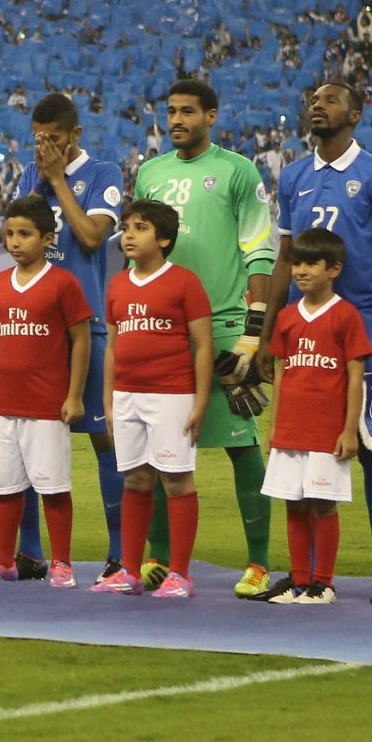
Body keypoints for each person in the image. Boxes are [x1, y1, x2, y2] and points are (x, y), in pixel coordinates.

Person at [263, 81, 372, 604]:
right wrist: (267, 335)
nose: (316, 104)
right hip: (302, 329)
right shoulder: (295, 176)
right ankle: (303, 575)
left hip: (363, 325)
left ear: (355, 113)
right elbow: (285, 258)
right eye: (312, 98)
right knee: (299, 446)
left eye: (328, 99)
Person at [132, 78, 277, 598]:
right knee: (154, 449)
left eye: (187, 111)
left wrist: (253, 333)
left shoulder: (237, 171)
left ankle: (259, 563)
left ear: (211, 116)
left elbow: (260, 249)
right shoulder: (150, 172)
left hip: (221, 327)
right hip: (162, 327)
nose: (176, 120)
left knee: (240, 445)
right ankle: (158, 557)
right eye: (170, 111)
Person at [8, 93, 127, 580]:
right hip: (35, 327)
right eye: (37, 139)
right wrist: (40, 179)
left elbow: (92, 237)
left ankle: (120, 551)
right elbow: (21, 232)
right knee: (33, 439)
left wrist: (56, 179)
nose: (44, 148)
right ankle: (32, 551)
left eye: (53, 139)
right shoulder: (27, 175)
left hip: (85, 323)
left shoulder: (104, 173)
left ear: (75, 135)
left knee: (104, 438)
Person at [92, 200, 213, 599]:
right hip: (126, 396)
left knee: (177, 480)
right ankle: (129, 570)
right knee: (136, 479)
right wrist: (109, 401)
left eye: (140, 228)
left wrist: (199, 402)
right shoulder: (118, 284)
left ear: (163, 239)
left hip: (173, 395)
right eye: (126, 227)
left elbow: (203, 345)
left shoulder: (184, 282)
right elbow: (112, 347)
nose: (128, 234)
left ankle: (179, 574)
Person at [0, 195, 93, 586]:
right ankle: (3, 560)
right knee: (5, 488)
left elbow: (81, 340)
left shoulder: (63, 283)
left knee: (53, 486)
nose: (14, 242)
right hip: (5, 402)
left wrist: (74, 395)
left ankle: (62, 563)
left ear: (47, 238)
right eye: (8, 234)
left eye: (24, 234)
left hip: (46, 404)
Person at [253, 228, 370, 606]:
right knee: (293, 501)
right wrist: (274, 427)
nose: (301, 271)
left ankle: (324, 582)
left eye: (310, 264)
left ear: (333, 269)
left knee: (322, 503)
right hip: (291, 428)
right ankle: (298, 580)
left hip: (327, 430)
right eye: (296, 263)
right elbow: (283, 374)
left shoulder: (346, 316)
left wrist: (350, 430)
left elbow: (355, 379)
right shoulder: (287, 317)